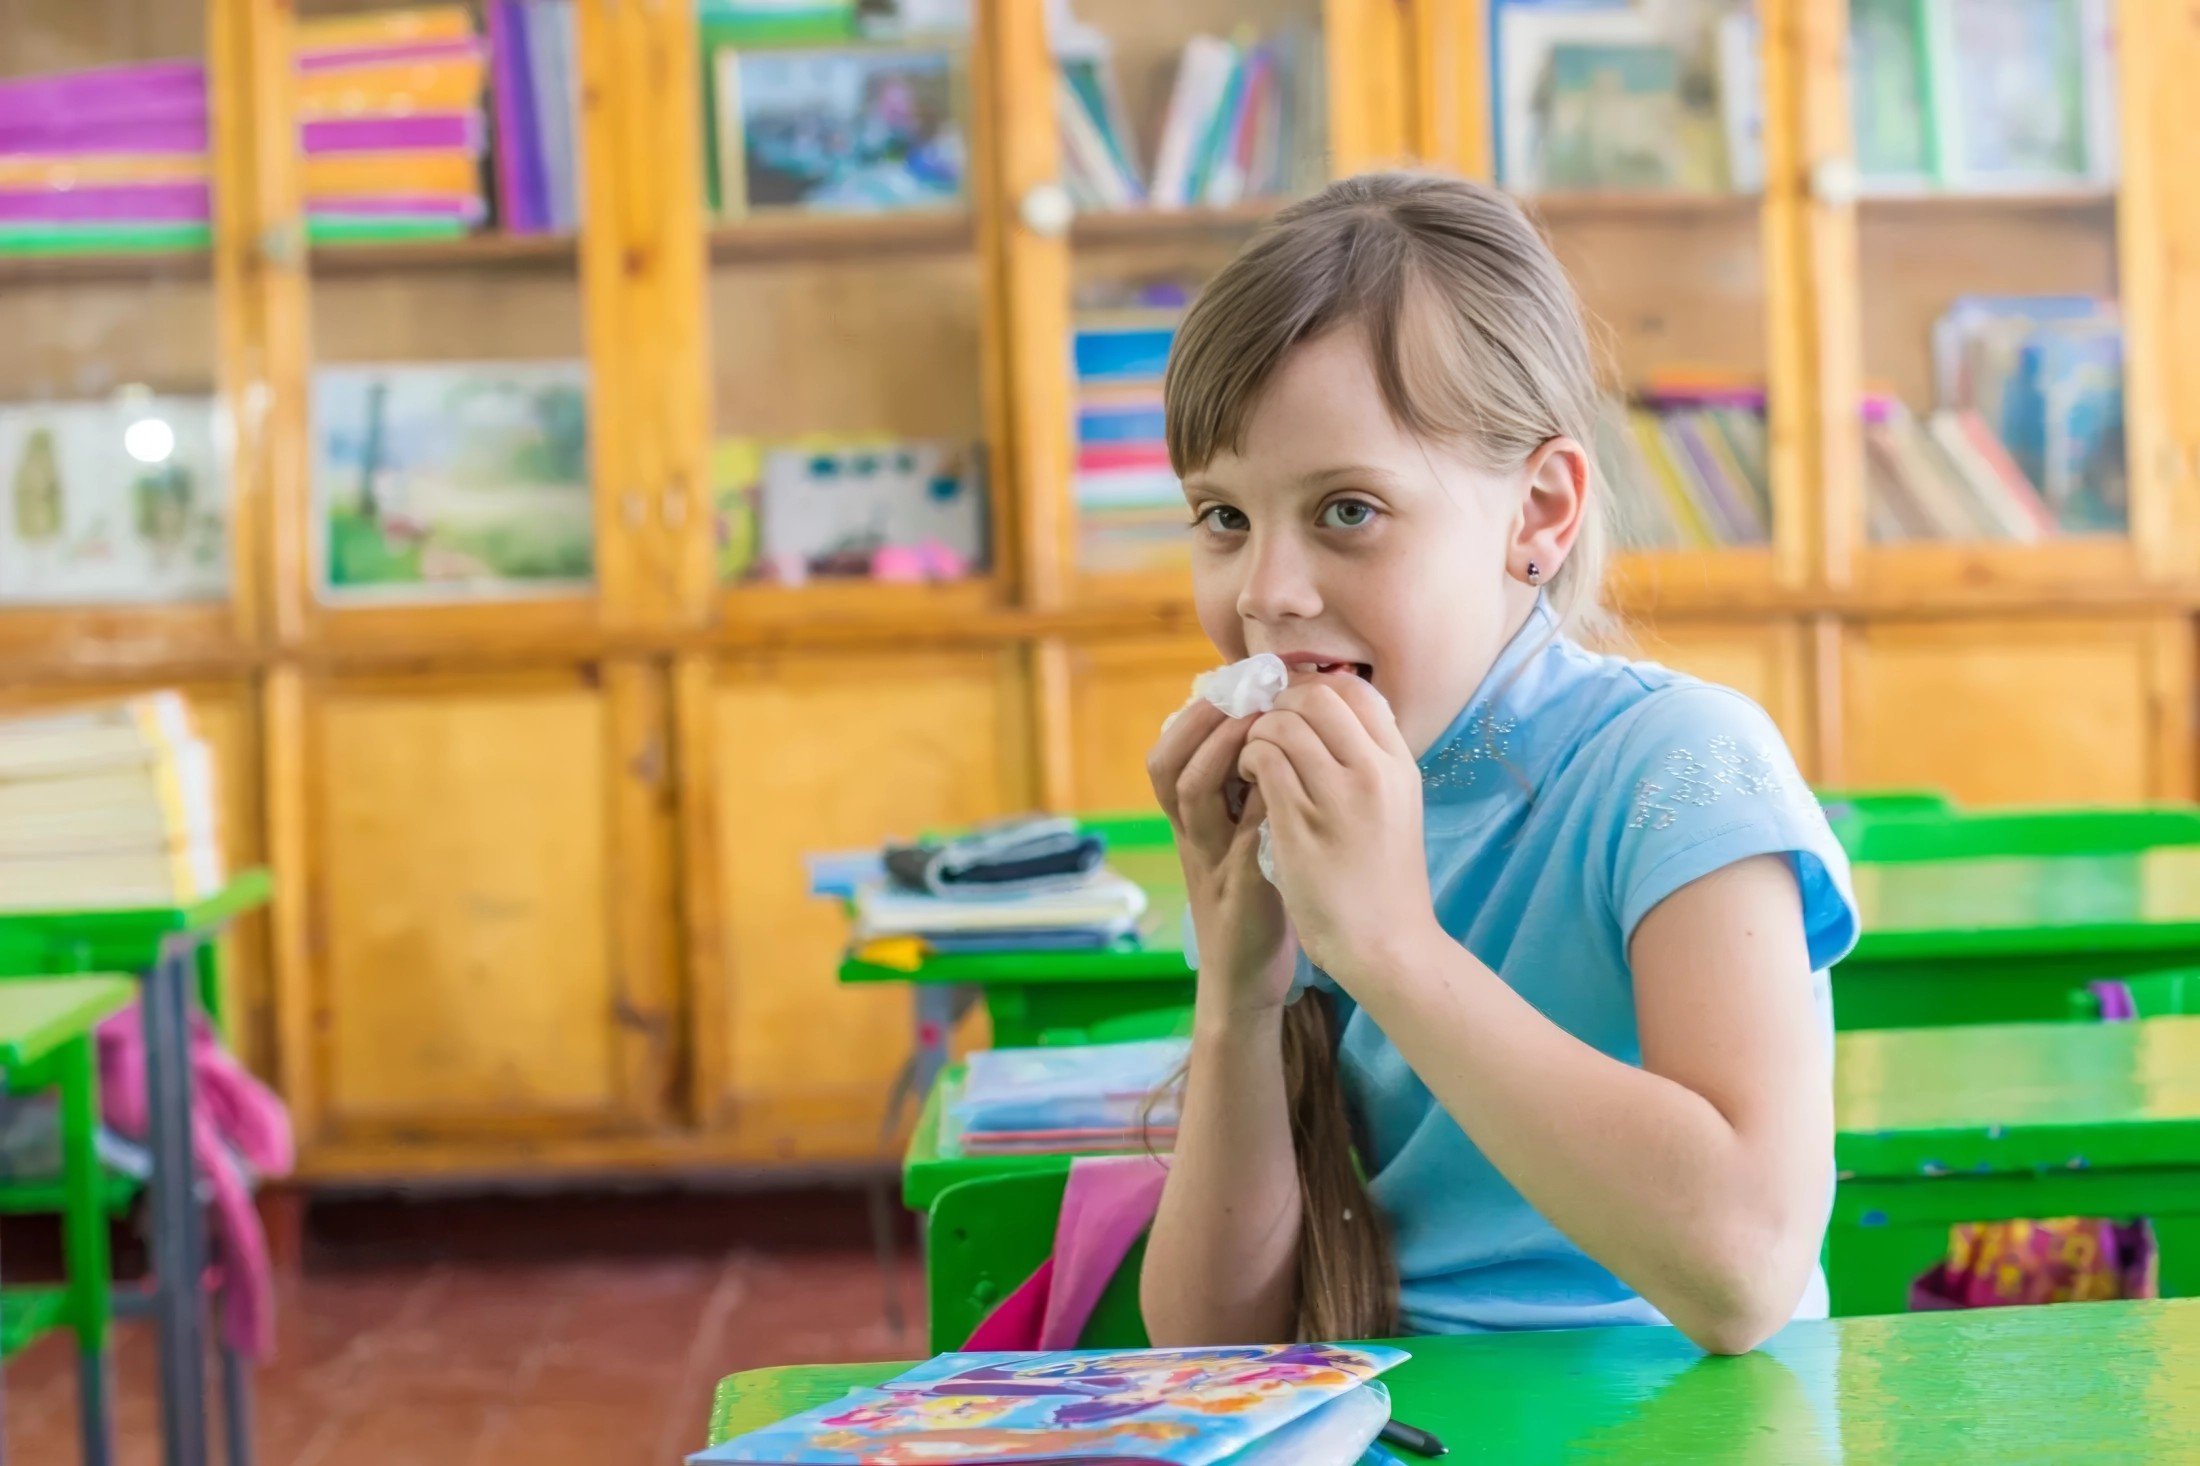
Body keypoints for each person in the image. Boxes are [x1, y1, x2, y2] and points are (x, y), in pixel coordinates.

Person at [1140, 172, 1858, 1355]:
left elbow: (1743, 1272)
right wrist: (1239, 990)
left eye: (1348, 509)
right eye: (1222, 517)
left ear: (1538, 510)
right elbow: (1212, 1343)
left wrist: (1389, 945)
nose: (1266, 591)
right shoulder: (1292, 816)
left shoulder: (1675, 766)